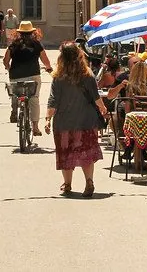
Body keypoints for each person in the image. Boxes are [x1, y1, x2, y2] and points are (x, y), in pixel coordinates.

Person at [45, 43, 109, 197]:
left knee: (65, 153)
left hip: (63, 123)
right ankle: (89, 181)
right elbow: (96, 97)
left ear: (61, 58)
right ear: (79, 55)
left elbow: (53, 100)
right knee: (86, 152)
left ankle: (67, 185)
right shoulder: (87, 75)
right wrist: (103, 108)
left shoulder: (58, 77)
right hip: (86, 121)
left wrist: (48, 119)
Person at [4, 21, 53, 136]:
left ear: (19, 33)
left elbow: (5, 61)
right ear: (32, 32)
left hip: (15, 76)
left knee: (16, 93)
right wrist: (48, 68)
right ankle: (35, 127)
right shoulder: (36, 44)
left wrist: (9, 68)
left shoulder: (13, 44)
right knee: (34, 99)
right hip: (33, 76)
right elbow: (45, 61)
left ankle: (15, 107)